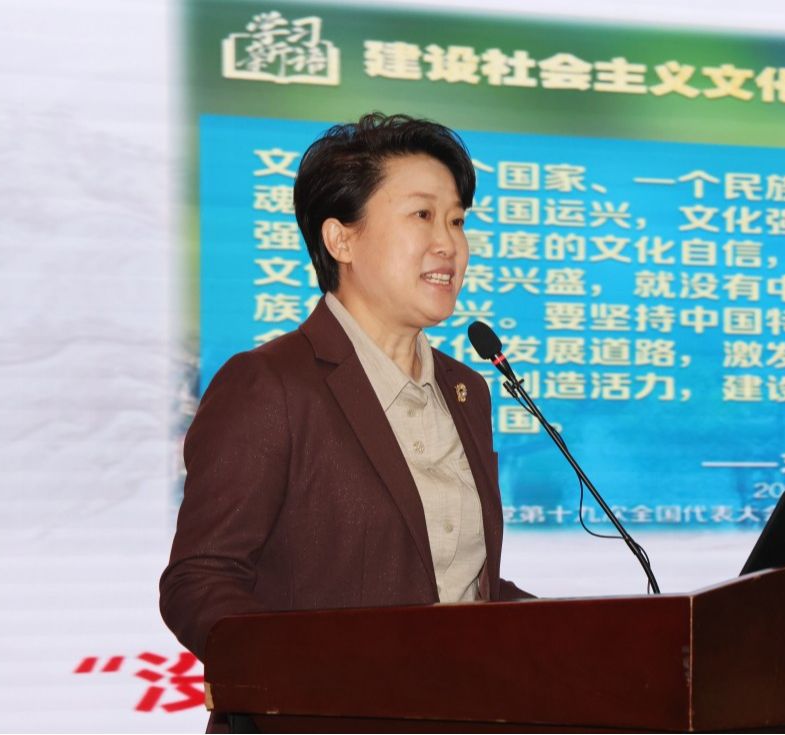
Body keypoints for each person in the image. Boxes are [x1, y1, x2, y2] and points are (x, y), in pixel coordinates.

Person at [160, 113, 531, 666]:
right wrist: (317, 674)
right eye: (422, 215)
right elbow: (200, 580)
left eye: (456, 221)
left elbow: (460, 585)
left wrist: (577, 630)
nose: (449, 243)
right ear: (341, 239)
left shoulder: (466, 389)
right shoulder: (270, 385)